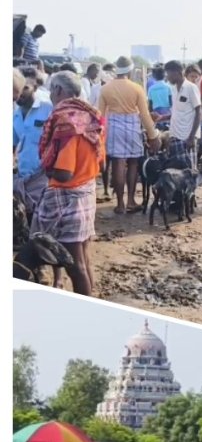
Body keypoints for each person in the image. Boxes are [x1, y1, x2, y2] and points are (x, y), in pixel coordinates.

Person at [30, 71, 105, 295]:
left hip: (68, 198)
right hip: (86, 191)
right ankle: (91, 302)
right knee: (83, 260)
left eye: (52, 89)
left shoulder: (67, 122)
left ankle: (86, 307)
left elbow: (64, 173)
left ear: (58, 91)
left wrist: (47, 168)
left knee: (75, 265)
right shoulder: (90, 116)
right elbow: (101, 160)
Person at [99, 56, 160, 214]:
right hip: (132, 126)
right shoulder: (137, 88)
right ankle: (131, 201)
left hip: (114, 127)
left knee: (118, 164)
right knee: (133, 163)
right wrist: (153, 136)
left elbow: (100, 115)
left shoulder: (106, 88)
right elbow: (145, 115)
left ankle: (120, 204)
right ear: (130, 70)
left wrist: (100, 136)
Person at [13, 75, 53, 217]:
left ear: (35, 88)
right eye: (19, 88)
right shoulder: (15, 114)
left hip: (43, 175)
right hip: (23, 174)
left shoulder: (48, 109)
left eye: (26, 87)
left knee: (41, 216)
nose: (21, 92)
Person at [163, 60, 202, 168]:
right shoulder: (173, 89)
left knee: (189, 174)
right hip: (175, 136)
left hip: (187, 137)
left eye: (169, 74)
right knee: (176, 174)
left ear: (177, 73)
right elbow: (177, 112)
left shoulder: (191, 88)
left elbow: (199, 112)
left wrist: (191, 137)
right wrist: (162, 117)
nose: (168, 77)